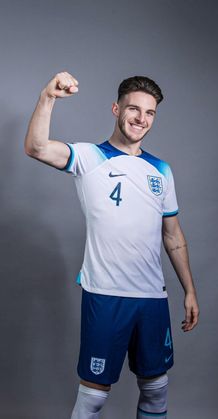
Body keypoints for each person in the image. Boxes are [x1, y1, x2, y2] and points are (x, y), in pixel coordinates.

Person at [24, 71, 199, 419]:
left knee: (156, 390)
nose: (141, 119)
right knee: (93, 398)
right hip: (105, 295)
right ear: (116, 109)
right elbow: (36, 147)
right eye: (134, 109)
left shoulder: (161, 170)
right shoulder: (90, 157)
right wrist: (48, 96)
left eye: (149, 113)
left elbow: (173, 235)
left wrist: (189, 290)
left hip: (152, 298)